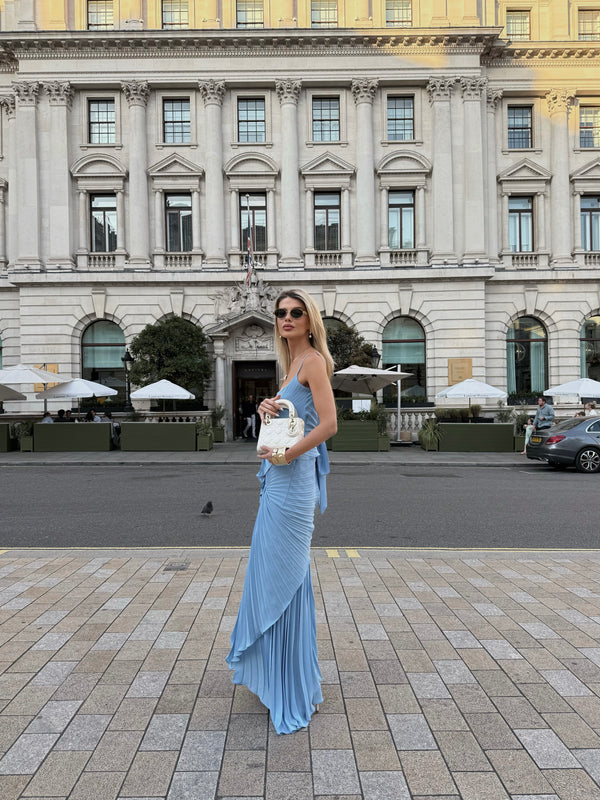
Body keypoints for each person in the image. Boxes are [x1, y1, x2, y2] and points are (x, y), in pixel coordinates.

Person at [226, 288, 337, 735]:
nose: (287, 318)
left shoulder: (313, 361)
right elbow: (296, 419)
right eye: (281, 313)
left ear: (310, 320)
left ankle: (290, 684)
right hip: (277, 480)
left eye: (296, 312)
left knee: (287, 576)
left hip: (294, 481)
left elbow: (329, 424)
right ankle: (280, 677)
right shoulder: (290, 365)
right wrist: (267, 409)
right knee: (271, 572)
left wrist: (288, 454)